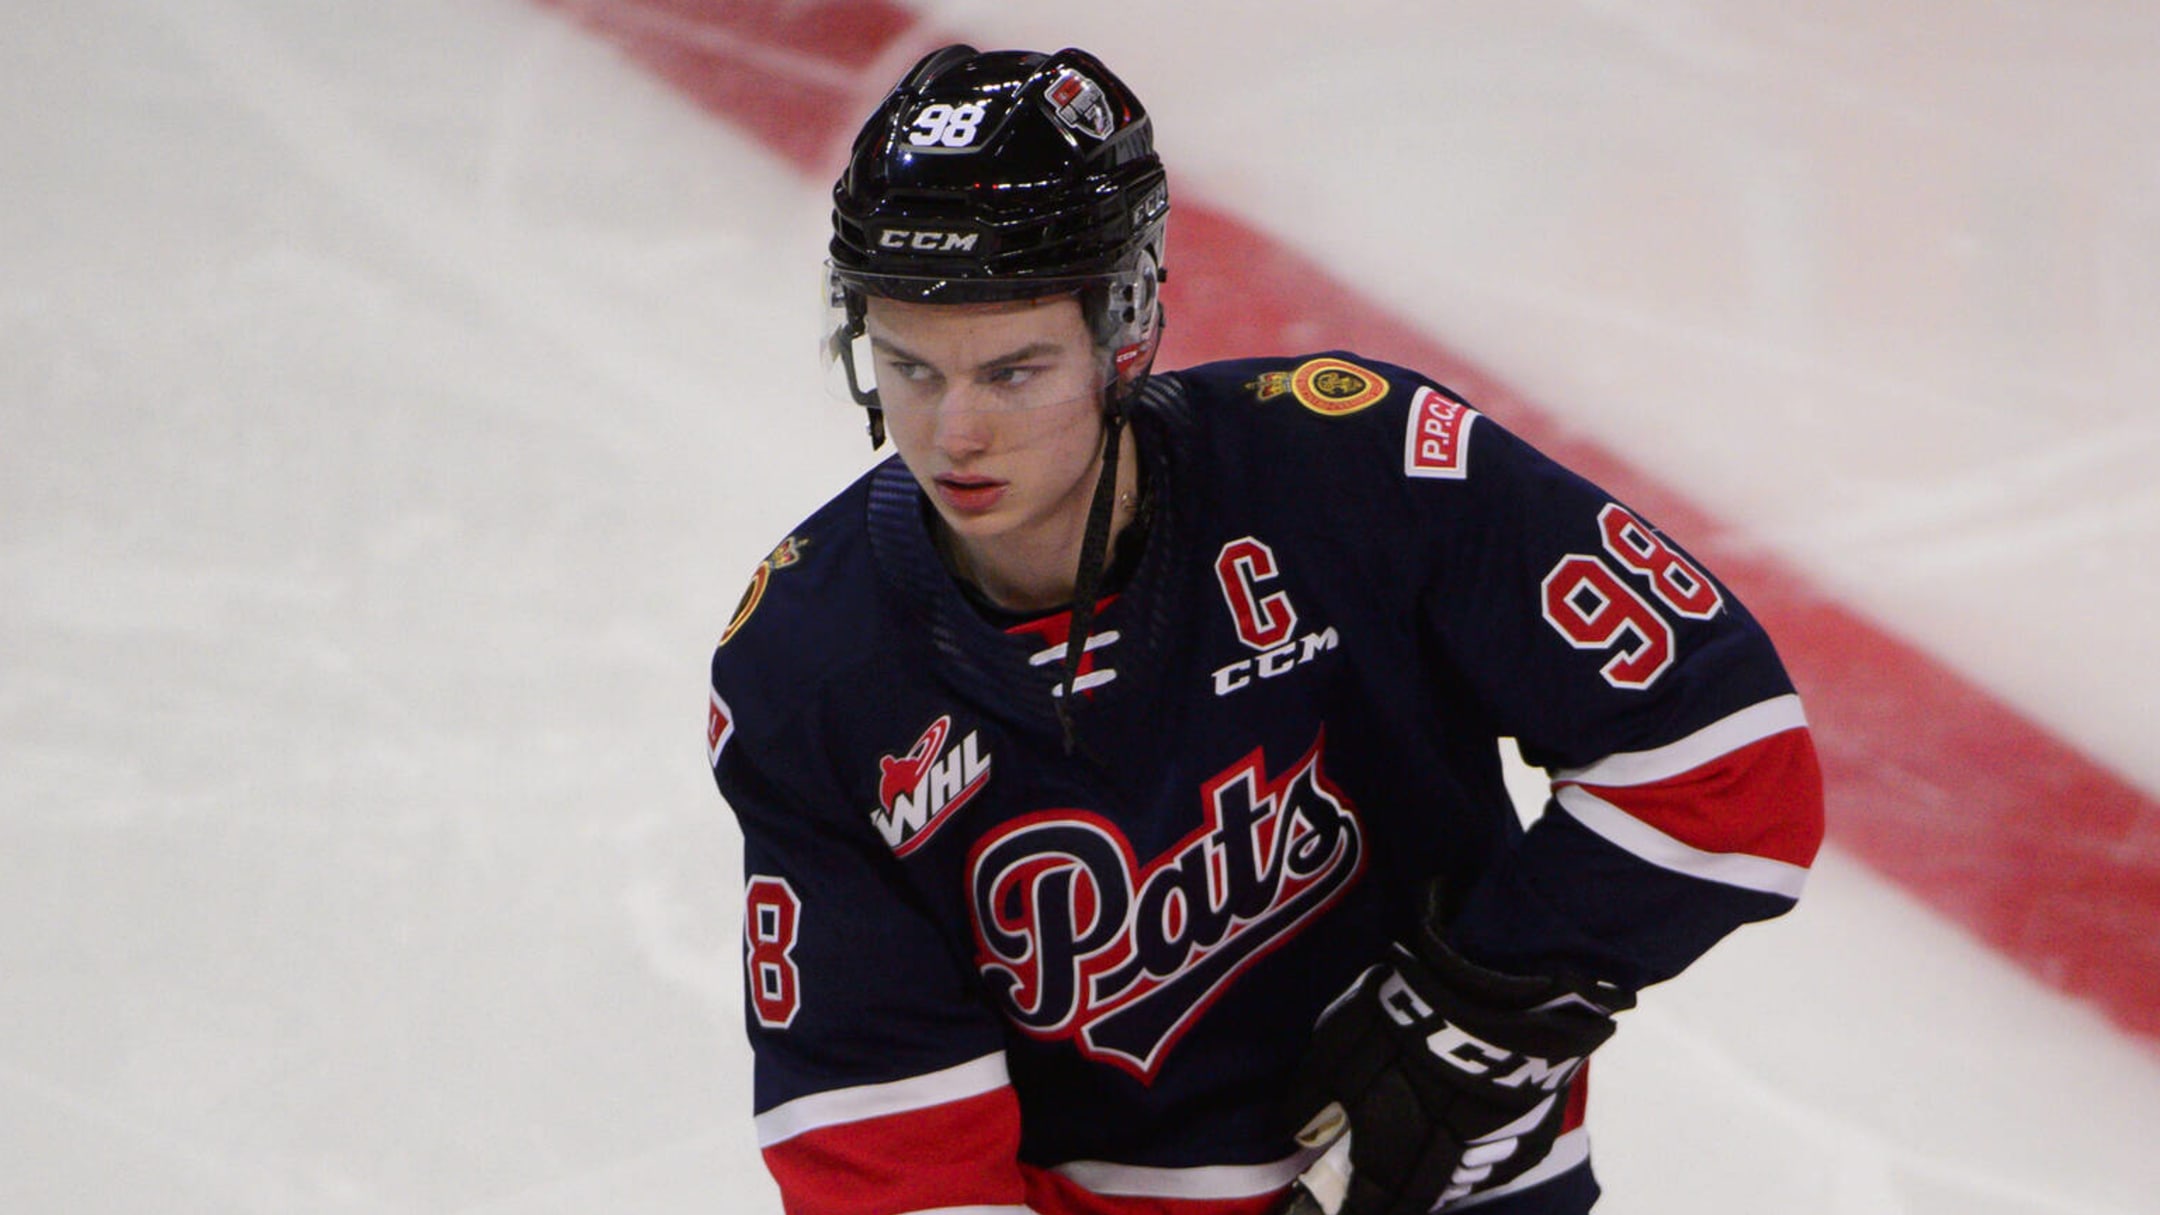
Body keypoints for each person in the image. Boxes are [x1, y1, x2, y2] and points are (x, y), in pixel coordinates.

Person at [706, 43, 1823, 1215]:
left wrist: (1477, 1013)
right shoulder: (813, 663)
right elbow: (888, 1144)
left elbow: (1726, 748)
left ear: (1123, 326)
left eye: (1015, 370)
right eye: (909, 368)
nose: (954, 435)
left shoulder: (1361, 475)